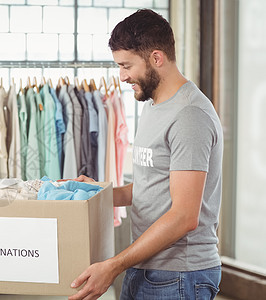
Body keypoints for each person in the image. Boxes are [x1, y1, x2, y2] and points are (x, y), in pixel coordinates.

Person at [69, 9, 223, 300]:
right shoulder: (154, 105)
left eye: (126, 65)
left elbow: (184, 216)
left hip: (179, 275)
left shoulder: (189, 115)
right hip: (147, 267)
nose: (122, 76)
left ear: (156, 58)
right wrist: (100, 192)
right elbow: (150, 187)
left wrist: (114, 265)